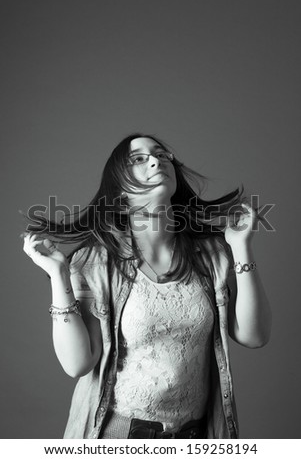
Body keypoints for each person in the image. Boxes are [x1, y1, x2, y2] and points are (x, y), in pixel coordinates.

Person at [22, 133, 272, 439]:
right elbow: (77, 364)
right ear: (120, 190)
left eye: (162, 155)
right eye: (138, 159)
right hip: (117, 435)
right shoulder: (95, 262)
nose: (156, 160)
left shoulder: (213, 254)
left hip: (195, 437)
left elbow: (253, 336)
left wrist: (241, 247)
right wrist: (60, 274)